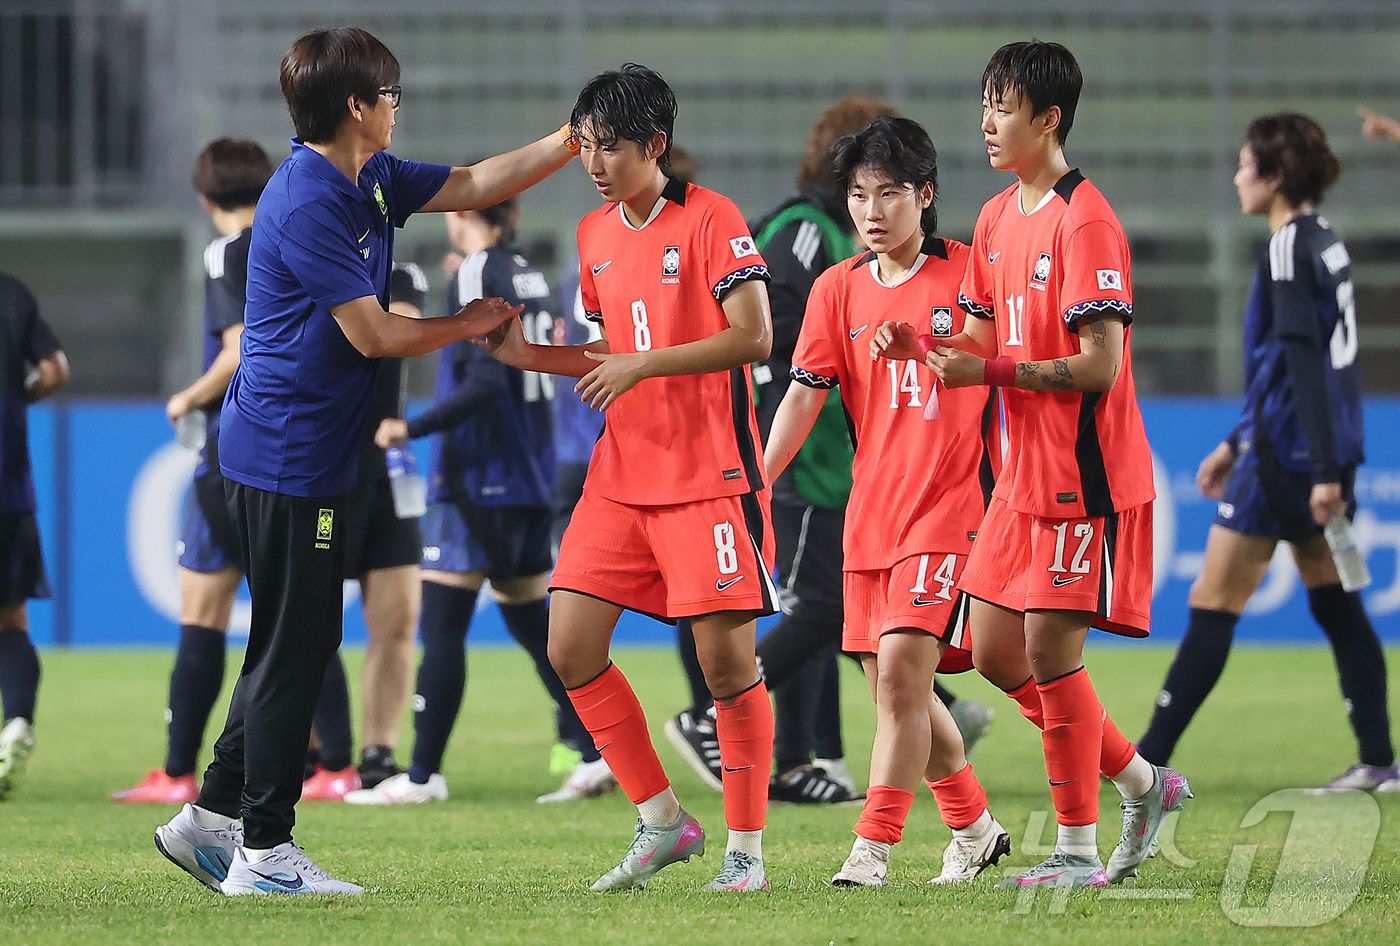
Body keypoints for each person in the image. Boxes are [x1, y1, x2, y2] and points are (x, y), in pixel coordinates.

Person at [153, 26, 576, 897]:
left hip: (304, 448)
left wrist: (571, 140)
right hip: (285, 453)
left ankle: (206, 822)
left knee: (287, 642)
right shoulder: (308, 198)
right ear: (356, 107)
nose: (397, 106)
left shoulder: (368, 174)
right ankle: (265, 851)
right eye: (389, 94)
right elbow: (375, 333)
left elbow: (472, 182)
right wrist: (474, 324)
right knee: (298, 648)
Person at [880, 40, 1188, 888]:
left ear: (1048, 119)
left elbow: (1101, 365)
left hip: (1084, 480)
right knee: (995, 654)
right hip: (1020, 482)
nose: (985, 121)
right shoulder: (993, 216)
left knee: (1051, 652)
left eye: (1002, 106)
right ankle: (1142, 783)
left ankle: (1077, 851)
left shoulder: (1086, 221)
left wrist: (994, 370)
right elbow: (978, 339)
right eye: (984, 102)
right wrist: (926, 344)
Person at [476, 63, 778, 893]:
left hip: (709, 474)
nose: (596, 162)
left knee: (725, 671)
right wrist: (527, 356)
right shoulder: (592, 235)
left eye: (611, 147)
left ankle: (746, 853)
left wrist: (644, 363)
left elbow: (754, 337)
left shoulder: (713, 218)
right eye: (586, 147)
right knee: (569, 648)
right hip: (621, 476)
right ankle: (662, 822)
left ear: (657, 144)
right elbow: (609, 358)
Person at [766, 116, 1010, 886]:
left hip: (948, 510)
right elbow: (804, 397)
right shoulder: (837, 289)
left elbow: (995, 360)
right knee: (892, 690)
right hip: (869, 516)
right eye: (859, 195)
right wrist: (755, 477)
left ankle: (870, 849)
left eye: (890, 194)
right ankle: (975, 827)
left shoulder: (970, 274)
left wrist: (930, 350)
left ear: (925, 195)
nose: (872, 211)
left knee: (903, 674)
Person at [1137, 113, 1396, 793]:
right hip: (1314, 448)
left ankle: (1143, 761)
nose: (1236, 176)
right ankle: (1377, 760)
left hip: (1287, 454)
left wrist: (1312, 467)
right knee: (1339, 606)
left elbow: (1304, 365)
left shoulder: (1285, 251)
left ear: (1275, 177)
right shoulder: (1325, 242)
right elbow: (1292, 365)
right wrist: (1238, 441)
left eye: (1246, 165)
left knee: (1212, 599)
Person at [347, 197, 615, 806]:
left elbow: (486, 380)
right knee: (531, 622)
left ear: (459, 213)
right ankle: (597, 750)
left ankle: (421, 777)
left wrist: (407, 427)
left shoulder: (475, 271)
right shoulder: (528, 274)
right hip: (529, 469)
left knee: (442, 623)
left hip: (477, 474)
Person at [111, 138, 273, 806]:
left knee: (205, 608)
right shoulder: (292, 242)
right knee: (288, 605)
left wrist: (187, 396)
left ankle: (178, 769)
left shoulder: (227, 251)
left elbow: (238, 349)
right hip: (287, 446)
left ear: (206, 199)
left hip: (231, 446)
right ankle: (335, 761)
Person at [302, 259, 433, 800]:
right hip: (321, 465)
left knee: (399, 620)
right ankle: (312, 753)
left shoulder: (400, 270)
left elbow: (397, 329)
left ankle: (377, 755)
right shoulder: (310, 254)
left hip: (383, 468)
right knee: (306, 619)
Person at [0, 272, 69, 800]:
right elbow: (54, 369)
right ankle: (16, 721)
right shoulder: (12, 292)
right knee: (11, 618)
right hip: (8, 489)